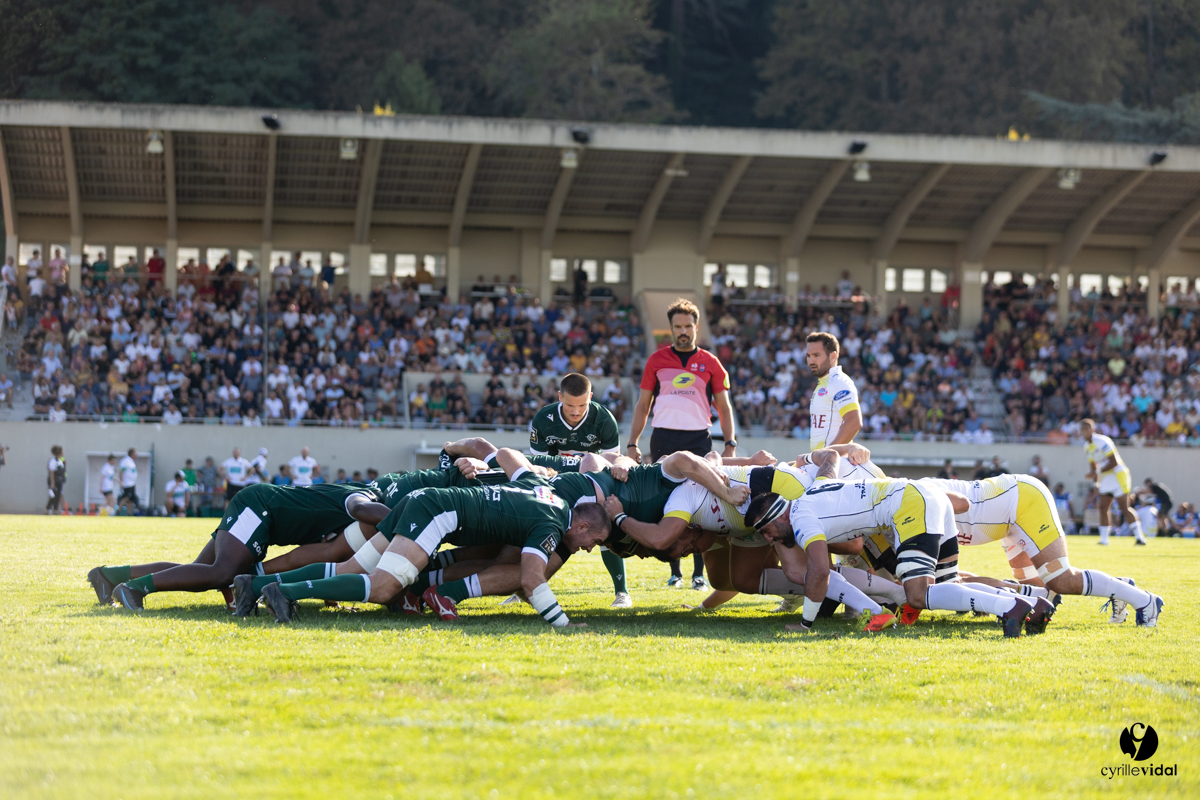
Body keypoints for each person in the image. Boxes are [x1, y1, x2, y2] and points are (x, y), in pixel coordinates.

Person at [251, 449, 611, 626]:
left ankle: (253, 585)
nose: (590, 549)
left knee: (351, 566)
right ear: (580, 526)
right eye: (593, 542)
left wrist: (529, 467)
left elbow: (507, 454)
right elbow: (531, 578)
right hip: (435, 512)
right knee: (381, 587)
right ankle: (284, 592)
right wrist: (564, 624)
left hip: (423, 504)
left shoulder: (540, 488)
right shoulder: (551, 524)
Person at [746, 459, 1053, 638]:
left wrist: (805, 623)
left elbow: (819, 571)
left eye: (767, 531)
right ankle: (1029, 603)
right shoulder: (814, 489)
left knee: (917, 596)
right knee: (946, 586)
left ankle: (1010, 607)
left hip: (909, 505)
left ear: (778, 515)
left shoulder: (800, 519)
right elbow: (828, 465)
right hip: (927, 496)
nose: (769, 539)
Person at [91, 482, 394, 611]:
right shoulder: (363, 496)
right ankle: (134, 590)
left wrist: (330, 598)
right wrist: (400, 522)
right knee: (220, 573)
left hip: (259, 507)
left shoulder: (351, 502)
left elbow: (322, 553)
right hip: (259, 508)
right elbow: (360, 510)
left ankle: (109, 576)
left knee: (202, 570)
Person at [926, 473, 1164, 628]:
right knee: (1039, 594)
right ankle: (1119, 587)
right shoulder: (902, 500)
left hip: (1022, 501)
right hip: (1004, 518)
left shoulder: (913, 495)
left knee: (1060, 580)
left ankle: (1145, 600)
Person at [627, 298, 736, 590]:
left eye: (688, 326)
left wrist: (730, 443)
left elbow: (724, 408)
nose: (683, 331)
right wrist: (632, 443)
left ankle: (698, 574)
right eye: (678, 327)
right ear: (671, 329)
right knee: (667, 502)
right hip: (664, 436)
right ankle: (674, 571)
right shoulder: (656, 360)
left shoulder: (712, 363)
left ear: (696, 327)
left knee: (700, 502)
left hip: (698, 437)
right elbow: (642, 406)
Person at [529, 373, 628, 607]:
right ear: (560, 397)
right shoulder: (544, 418)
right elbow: (539, 466)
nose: (575, 412)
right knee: (534, 528)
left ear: (591, 397)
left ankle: (622, 592)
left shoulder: (604, 419)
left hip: (591, 482)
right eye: (570, 405)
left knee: (606, 526)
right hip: (557, 481)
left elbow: (609, 463)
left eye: (582, 405)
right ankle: (521, 586)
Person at [1080, 418, 1146, 545]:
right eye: (1082, 429)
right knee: (1103, 507)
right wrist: (1096, 483)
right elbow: (1093, 466)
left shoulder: (1103, 441)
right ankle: (1104, 540)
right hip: (1105, 478)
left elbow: (1113, 462)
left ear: (1092, 430)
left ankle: (1140, 538)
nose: (1084, 432)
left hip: (1118, 475)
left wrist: (1096, 473)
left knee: (1124, 508)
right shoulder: (1086, 447)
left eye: (1086, 429)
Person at [805, 332, 862, 451]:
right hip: (823, 460)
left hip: (833, 463)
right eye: (809, 356)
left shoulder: (838, 382)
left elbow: (854, 422)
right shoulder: (825, 382)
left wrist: (828, 455)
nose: (811, 361)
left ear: (833, 356)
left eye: (816, 355)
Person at [47, 445, 66, 515]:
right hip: (54, 481)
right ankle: (48, 509)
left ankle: (56, 510)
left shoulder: (60, 460)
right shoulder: (53, 460)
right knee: (53, 496)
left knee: (58, 496)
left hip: (59, 481)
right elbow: (51, 471)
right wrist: (52, 482)